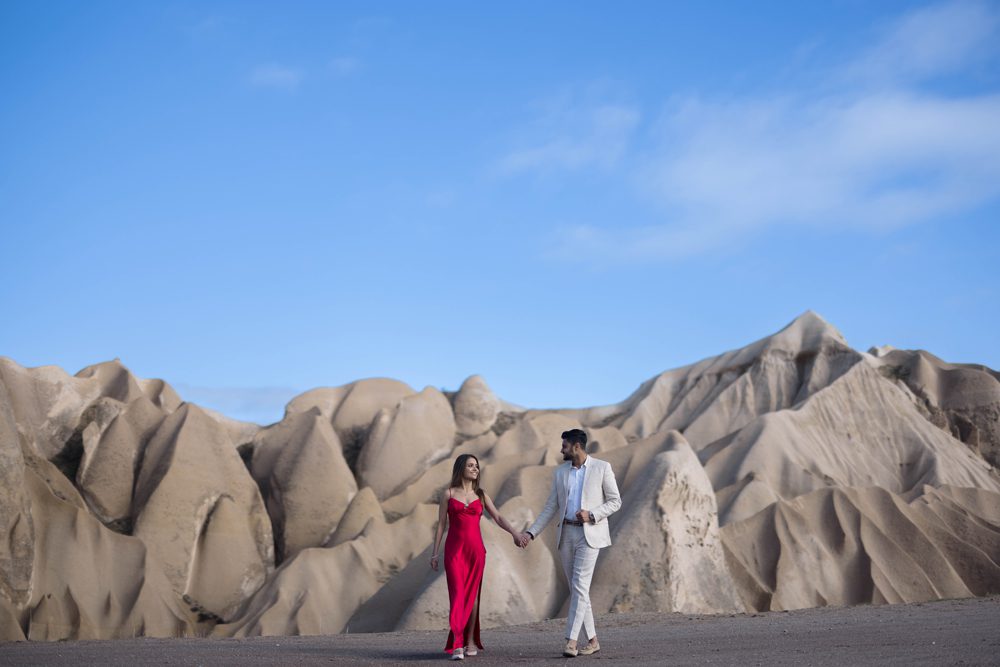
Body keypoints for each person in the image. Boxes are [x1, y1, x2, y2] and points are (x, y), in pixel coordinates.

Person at [514, 429, 621, 657]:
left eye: (564, 445)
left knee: (580, 587)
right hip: (566, 535)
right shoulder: (561, 472)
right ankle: (592, 641)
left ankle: (570, 641)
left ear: (576, 446)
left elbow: (615, 501)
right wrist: (531, 533)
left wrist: (592, 514)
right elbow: (551, 507)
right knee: (578, 590)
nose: (561, 449)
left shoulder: (602, 467)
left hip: (589, 534)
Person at [430, 454, 524, 660]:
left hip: (476, 552)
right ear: (460, 468)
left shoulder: (481, 495)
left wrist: (515, 534)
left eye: (477, 466)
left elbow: (498, 517)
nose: (475, 469)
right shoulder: (448, 494)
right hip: (454, 551)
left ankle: (470, 640)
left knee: (473, 598)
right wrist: (435, 553)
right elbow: (441, 526)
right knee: (457, 595)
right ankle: (457, 644)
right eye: (470, 465)